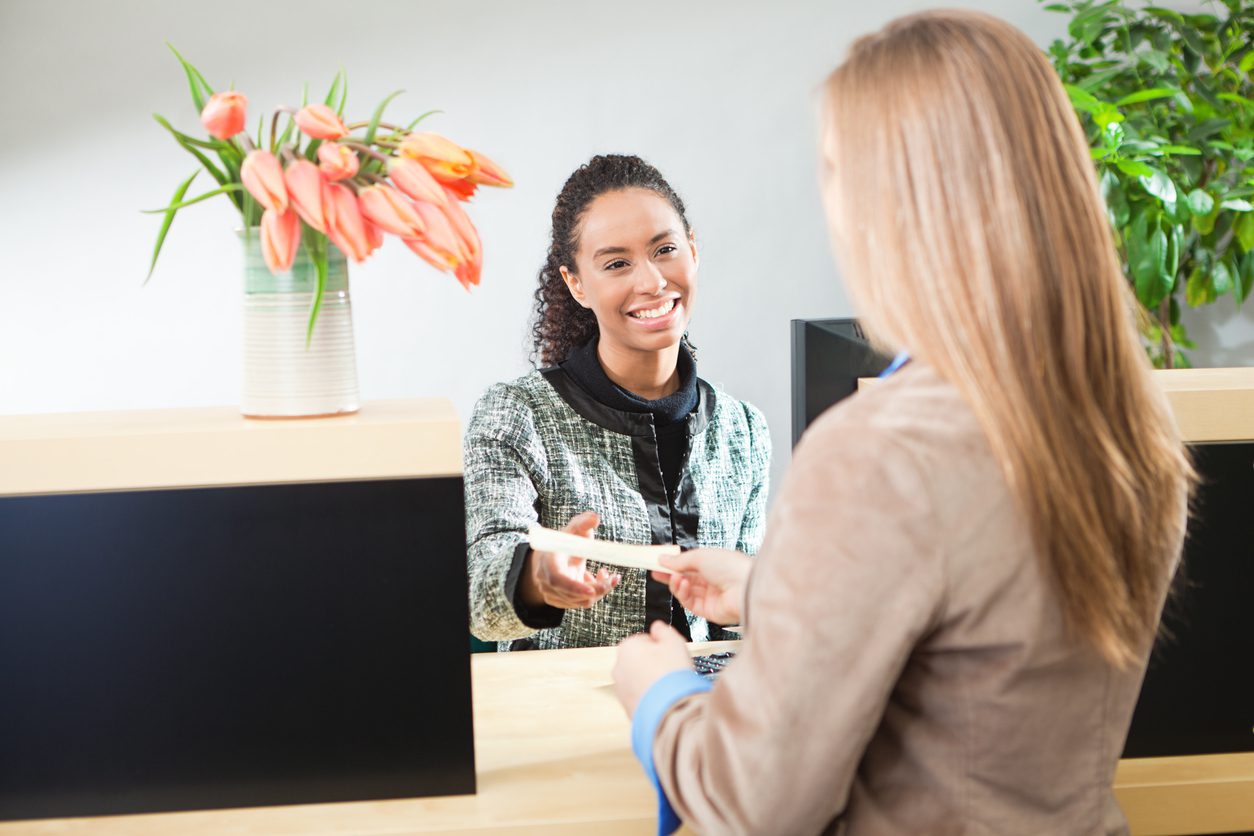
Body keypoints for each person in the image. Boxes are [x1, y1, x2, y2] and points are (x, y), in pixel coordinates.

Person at [611, 10, 1194, 834]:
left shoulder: (878, 450)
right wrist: (779, 589)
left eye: (836, 172)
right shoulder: (1127, 422)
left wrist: (659, 692)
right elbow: (982, 651)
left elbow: (751, 804)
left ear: (900, 205)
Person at [464, 154, 771, 651]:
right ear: (576, 283)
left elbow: (743, 625)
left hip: (700, 716)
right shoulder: (517, 415)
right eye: (616, 264)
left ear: (692, 251)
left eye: (665, 249)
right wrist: (537, 578)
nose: (651, 281)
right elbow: (480, 598)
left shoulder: (744, 429)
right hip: (564, 720)